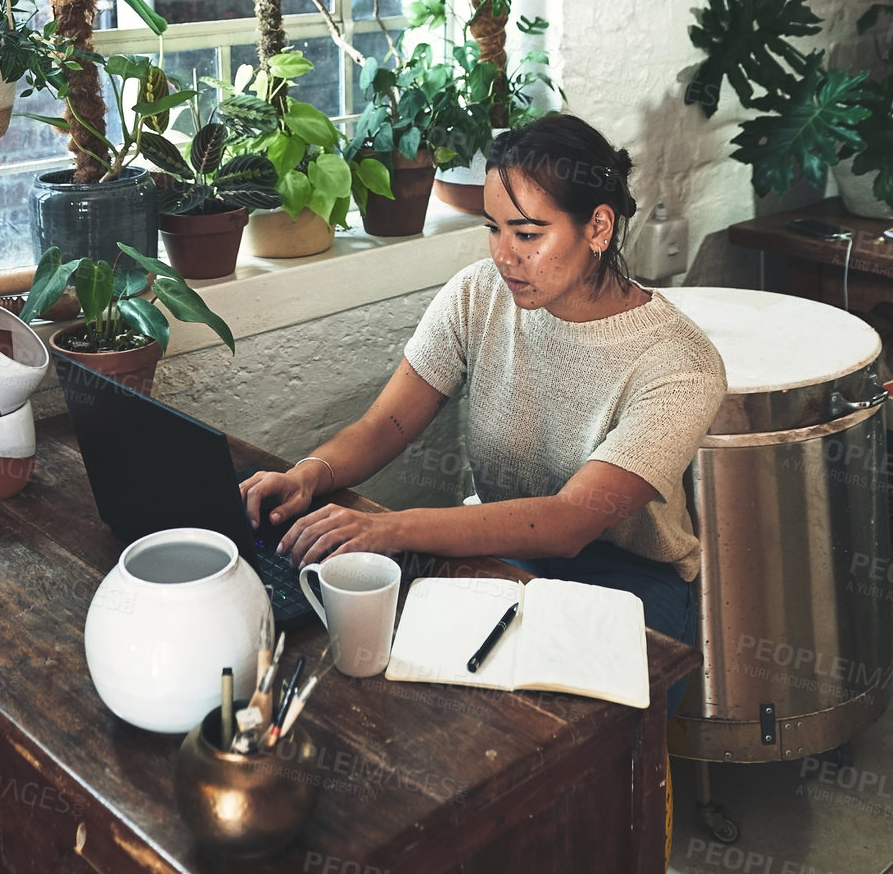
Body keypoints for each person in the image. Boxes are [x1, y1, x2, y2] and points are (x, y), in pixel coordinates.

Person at [241, 113, 728, 713]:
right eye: (493, 229)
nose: (503, 256)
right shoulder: (479, 295)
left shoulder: (678, 362)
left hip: (629, 581)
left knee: (570, 738)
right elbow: (384, 425)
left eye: (527, 235)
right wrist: (309, 474)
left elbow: (571, 521)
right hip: (499, 550)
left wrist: (390, 529)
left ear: (598, 227)